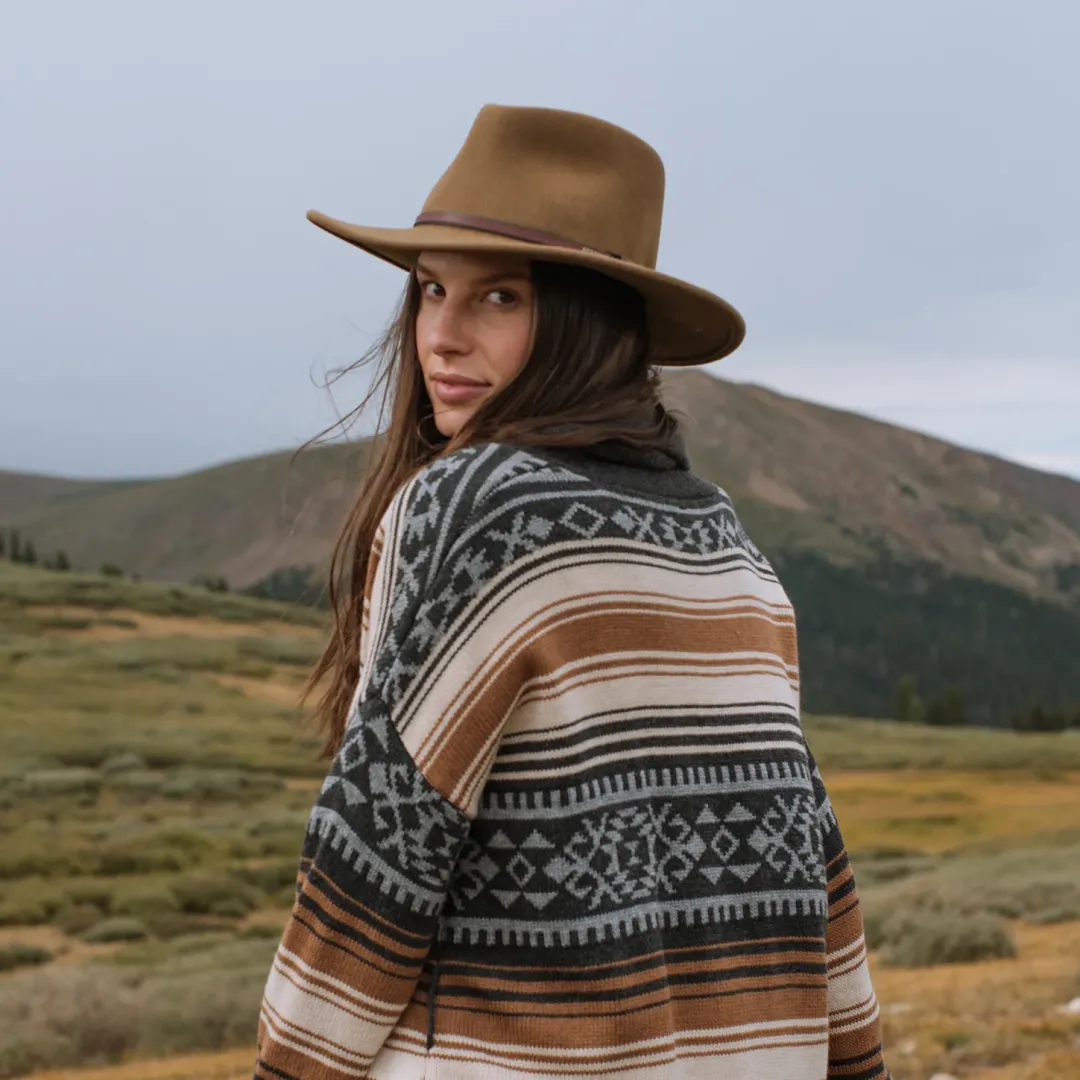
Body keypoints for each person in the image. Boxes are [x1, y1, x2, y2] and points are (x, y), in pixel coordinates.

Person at [254, 104, 889, 1080]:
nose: (443, 336)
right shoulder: (724, 542)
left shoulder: (481, 507)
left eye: (500, 297)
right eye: (431, 290)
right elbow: (809, 855)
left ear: (587, 322)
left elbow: (383, 844)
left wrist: (289, 1067)